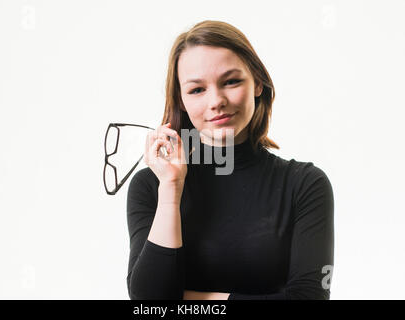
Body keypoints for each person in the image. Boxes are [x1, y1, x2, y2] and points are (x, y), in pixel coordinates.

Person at [126, 20, 334, 300]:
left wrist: (192, 300)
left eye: (231, 81)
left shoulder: (304, 184)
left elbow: (309, 298)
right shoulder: (152, 186)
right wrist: (171, 190)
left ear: (258, 83)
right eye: (197, 89)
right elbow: (150, 302)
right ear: (181, 99)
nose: (216, 101)